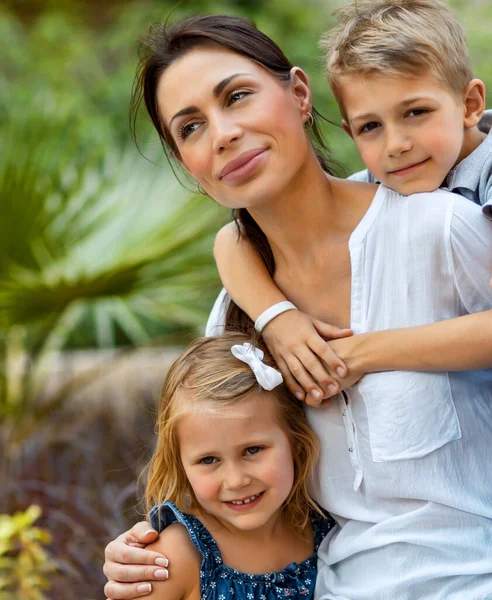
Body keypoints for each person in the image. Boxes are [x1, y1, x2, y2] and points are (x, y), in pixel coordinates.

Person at [103, 12, 492, 600]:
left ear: (300, 93)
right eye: (190, 128)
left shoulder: (439, 228)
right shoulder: (235, 318)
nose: (223, 134)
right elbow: (236, 494)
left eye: (237, 97)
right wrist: (150, 553)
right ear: (189, 165)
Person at [212, 0, 492, 404]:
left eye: (416, 112)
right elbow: (232, 240)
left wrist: (359, 353)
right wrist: (278, 319)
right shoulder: (383, 185)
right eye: (371, 126)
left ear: (469, 105)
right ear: (349, 131)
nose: (396, 145)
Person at [139, 331, 333, 600]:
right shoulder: (173, 557)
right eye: (208, 460)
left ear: (296, 443)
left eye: (252, 450)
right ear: (181, 464)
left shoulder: (329, 529)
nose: (235, 480)